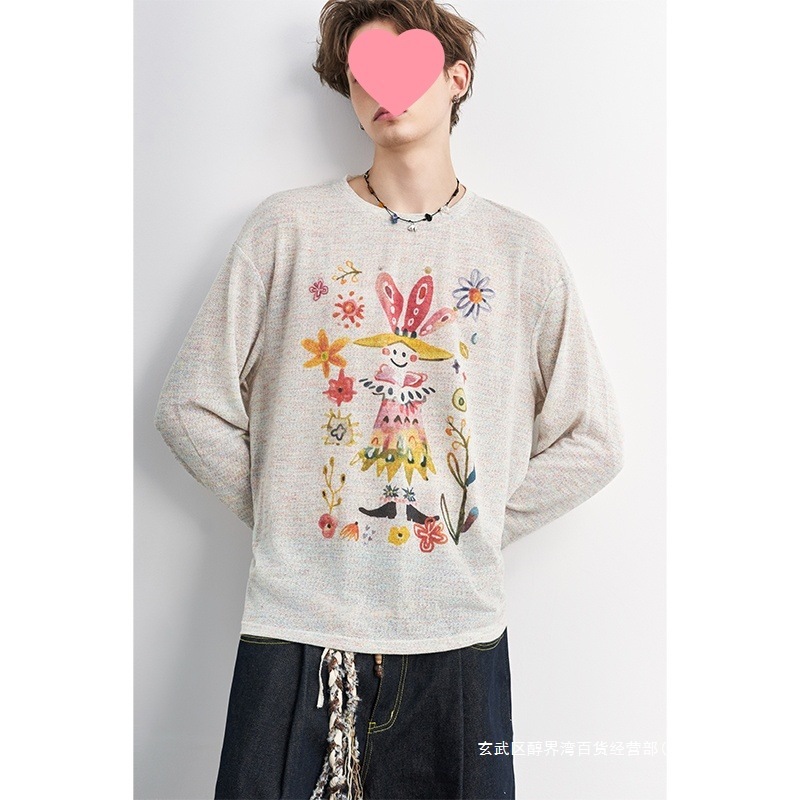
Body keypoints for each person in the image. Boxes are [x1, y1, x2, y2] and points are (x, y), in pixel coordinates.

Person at [153, 0, 625, 797]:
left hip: (459, 641)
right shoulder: (288, 230)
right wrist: (293, 516)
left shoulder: (520, 252)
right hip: (298, 632)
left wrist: (471, 529)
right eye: (362, 73)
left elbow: (593, 439)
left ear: (456, 78)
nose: (383, 89)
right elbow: (189, 407)